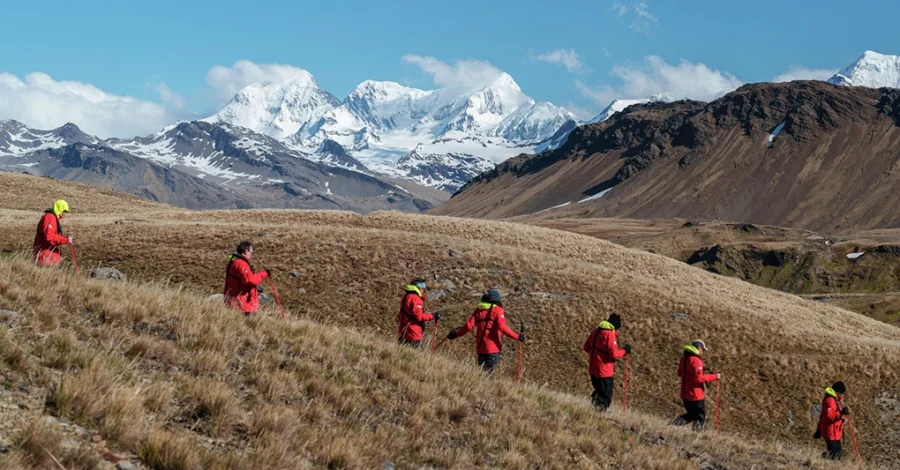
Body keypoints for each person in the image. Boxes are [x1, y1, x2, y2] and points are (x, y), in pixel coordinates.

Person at [446, 290, 523, 373]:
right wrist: (517, 336)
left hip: (480, 347)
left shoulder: (478, 310)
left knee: (484, 371)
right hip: (493, 347)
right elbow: (502, 327)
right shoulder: (497, 310)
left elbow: (468, 326)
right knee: (490, 372)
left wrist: (456, 334)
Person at [583, 313, 630, 411]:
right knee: (605, 396)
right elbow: (614, 354)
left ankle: (593, 412)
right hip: (604, 371)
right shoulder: (609, 335)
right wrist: (625, 350)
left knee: (599, 392)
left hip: (593, 369)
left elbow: (586, 347)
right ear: (615, 326)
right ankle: (598, 415)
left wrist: (596, 355)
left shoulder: (595, 332)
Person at [672, 339, 720, 431]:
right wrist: (714, 376)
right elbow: (699, 378)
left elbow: (679, 373)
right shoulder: (697, 361)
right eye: (703, 350)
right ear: (698, 348)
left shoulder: (684, 358)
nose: (703, 352)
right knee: (700, 416)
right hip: (695, 394)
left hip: (684, 393)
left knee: (691, 414)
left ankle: (673, 425)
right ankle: (697, 434)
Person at [223, 241, 269, 315]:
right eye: (251, 252)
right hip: (241, 302)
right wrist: (264, 273)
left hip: (234, 300)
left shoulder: (234, 261)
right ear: (245, 251)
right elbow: (249, 280)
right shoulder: (241, 263)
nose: (251, 255)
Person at [397, 279, 440, 348]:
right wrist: (432, 316)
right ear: (419, 288)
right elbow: (419, 317)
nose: (424, 291)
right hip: (413, 333)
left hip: (402, 331)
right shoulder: (415, 298)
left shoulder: (406, 296)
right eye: (423, 288)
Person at [33, 199, 73, 267]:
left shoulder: (52, 217)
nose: (64, 214)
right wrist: (65, 240)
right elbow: (49, 236)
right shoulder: (50, 217)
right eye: (64, 211)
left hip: (49, 257)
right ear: (59, 209)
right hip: (46, 258)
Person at [816, 381, 849, 460]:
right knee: (834, 455)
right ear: (837, 392)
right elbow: (829, 416)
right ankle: (821, 459)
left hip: (835, 432)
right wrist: (841, 413)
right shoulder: (830, 401)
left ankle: (824, 459)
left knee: (838, 454)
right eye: (841, 394)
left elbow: (835, 414)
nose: (842, 396)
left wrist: (842, 418)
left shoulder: (835, 400)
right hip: (830, 432)